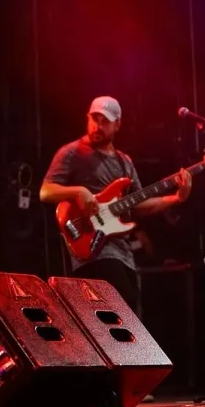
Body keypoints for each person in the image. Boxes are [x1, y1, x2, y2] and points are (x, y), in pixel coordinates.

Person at [39, 96, 192, 313]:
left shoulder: (125, 162)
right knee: (120, 303)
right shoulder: (72, 152)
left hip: (123, 253)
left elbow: (137, 205)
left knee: (130, 310)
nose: (98, 126)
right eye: (94, 119)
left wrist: (176, 198)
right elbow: (45, 191)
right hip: (92, 248)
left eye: (105, 121)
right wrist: (79, 191)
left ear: (117, 124)